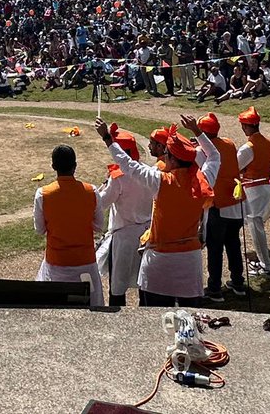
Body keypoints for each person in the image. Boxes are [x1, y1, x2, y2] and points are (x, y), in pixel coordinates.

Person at [96, 114, 218, 307]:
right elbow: (214, 156)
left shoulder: (160, 180)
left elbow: (128, 165)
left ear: (173, 159)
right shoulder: (204, 179)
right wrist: (197, 131)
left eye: (167, 154)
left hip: (159, 259)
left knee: (154, 317)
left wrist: (107, 139)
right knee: (190, 314)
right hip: (190, 259)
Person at [33, 144, 105, 307]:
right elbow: (100, 226)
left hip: (56, 265)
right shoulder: (91, 191)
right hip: (86, 264)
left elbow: (40, 229)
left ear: (53, 166)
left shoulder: (43, 194)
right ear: (75, 166)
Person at [95, 123, 155, 307]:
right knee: (144, 281)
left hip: (124, 236)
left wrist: (103, 186)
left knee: (118, 285)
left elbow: (102, 203)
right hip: (147, 233)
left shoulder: (118, 177)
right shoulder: (149, 171)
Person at [195, 112, 246, 301]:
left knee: (215, 248)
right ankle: (238, 282)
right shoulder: (230, 143)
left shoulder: (201, 152)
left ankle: (215, 288)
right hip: (235, 201)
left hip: (218, 204)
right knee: (233, 243)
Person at [235, 107, 270, 277]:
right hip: (266, 188)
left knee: (255, 228)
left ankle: (266, 266)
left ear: (246, 126)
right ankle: (265, 263)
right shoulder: (269, 143)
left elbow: (235, 168)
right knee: (256, 227)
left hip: (254, 192)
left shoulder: (247, 147)